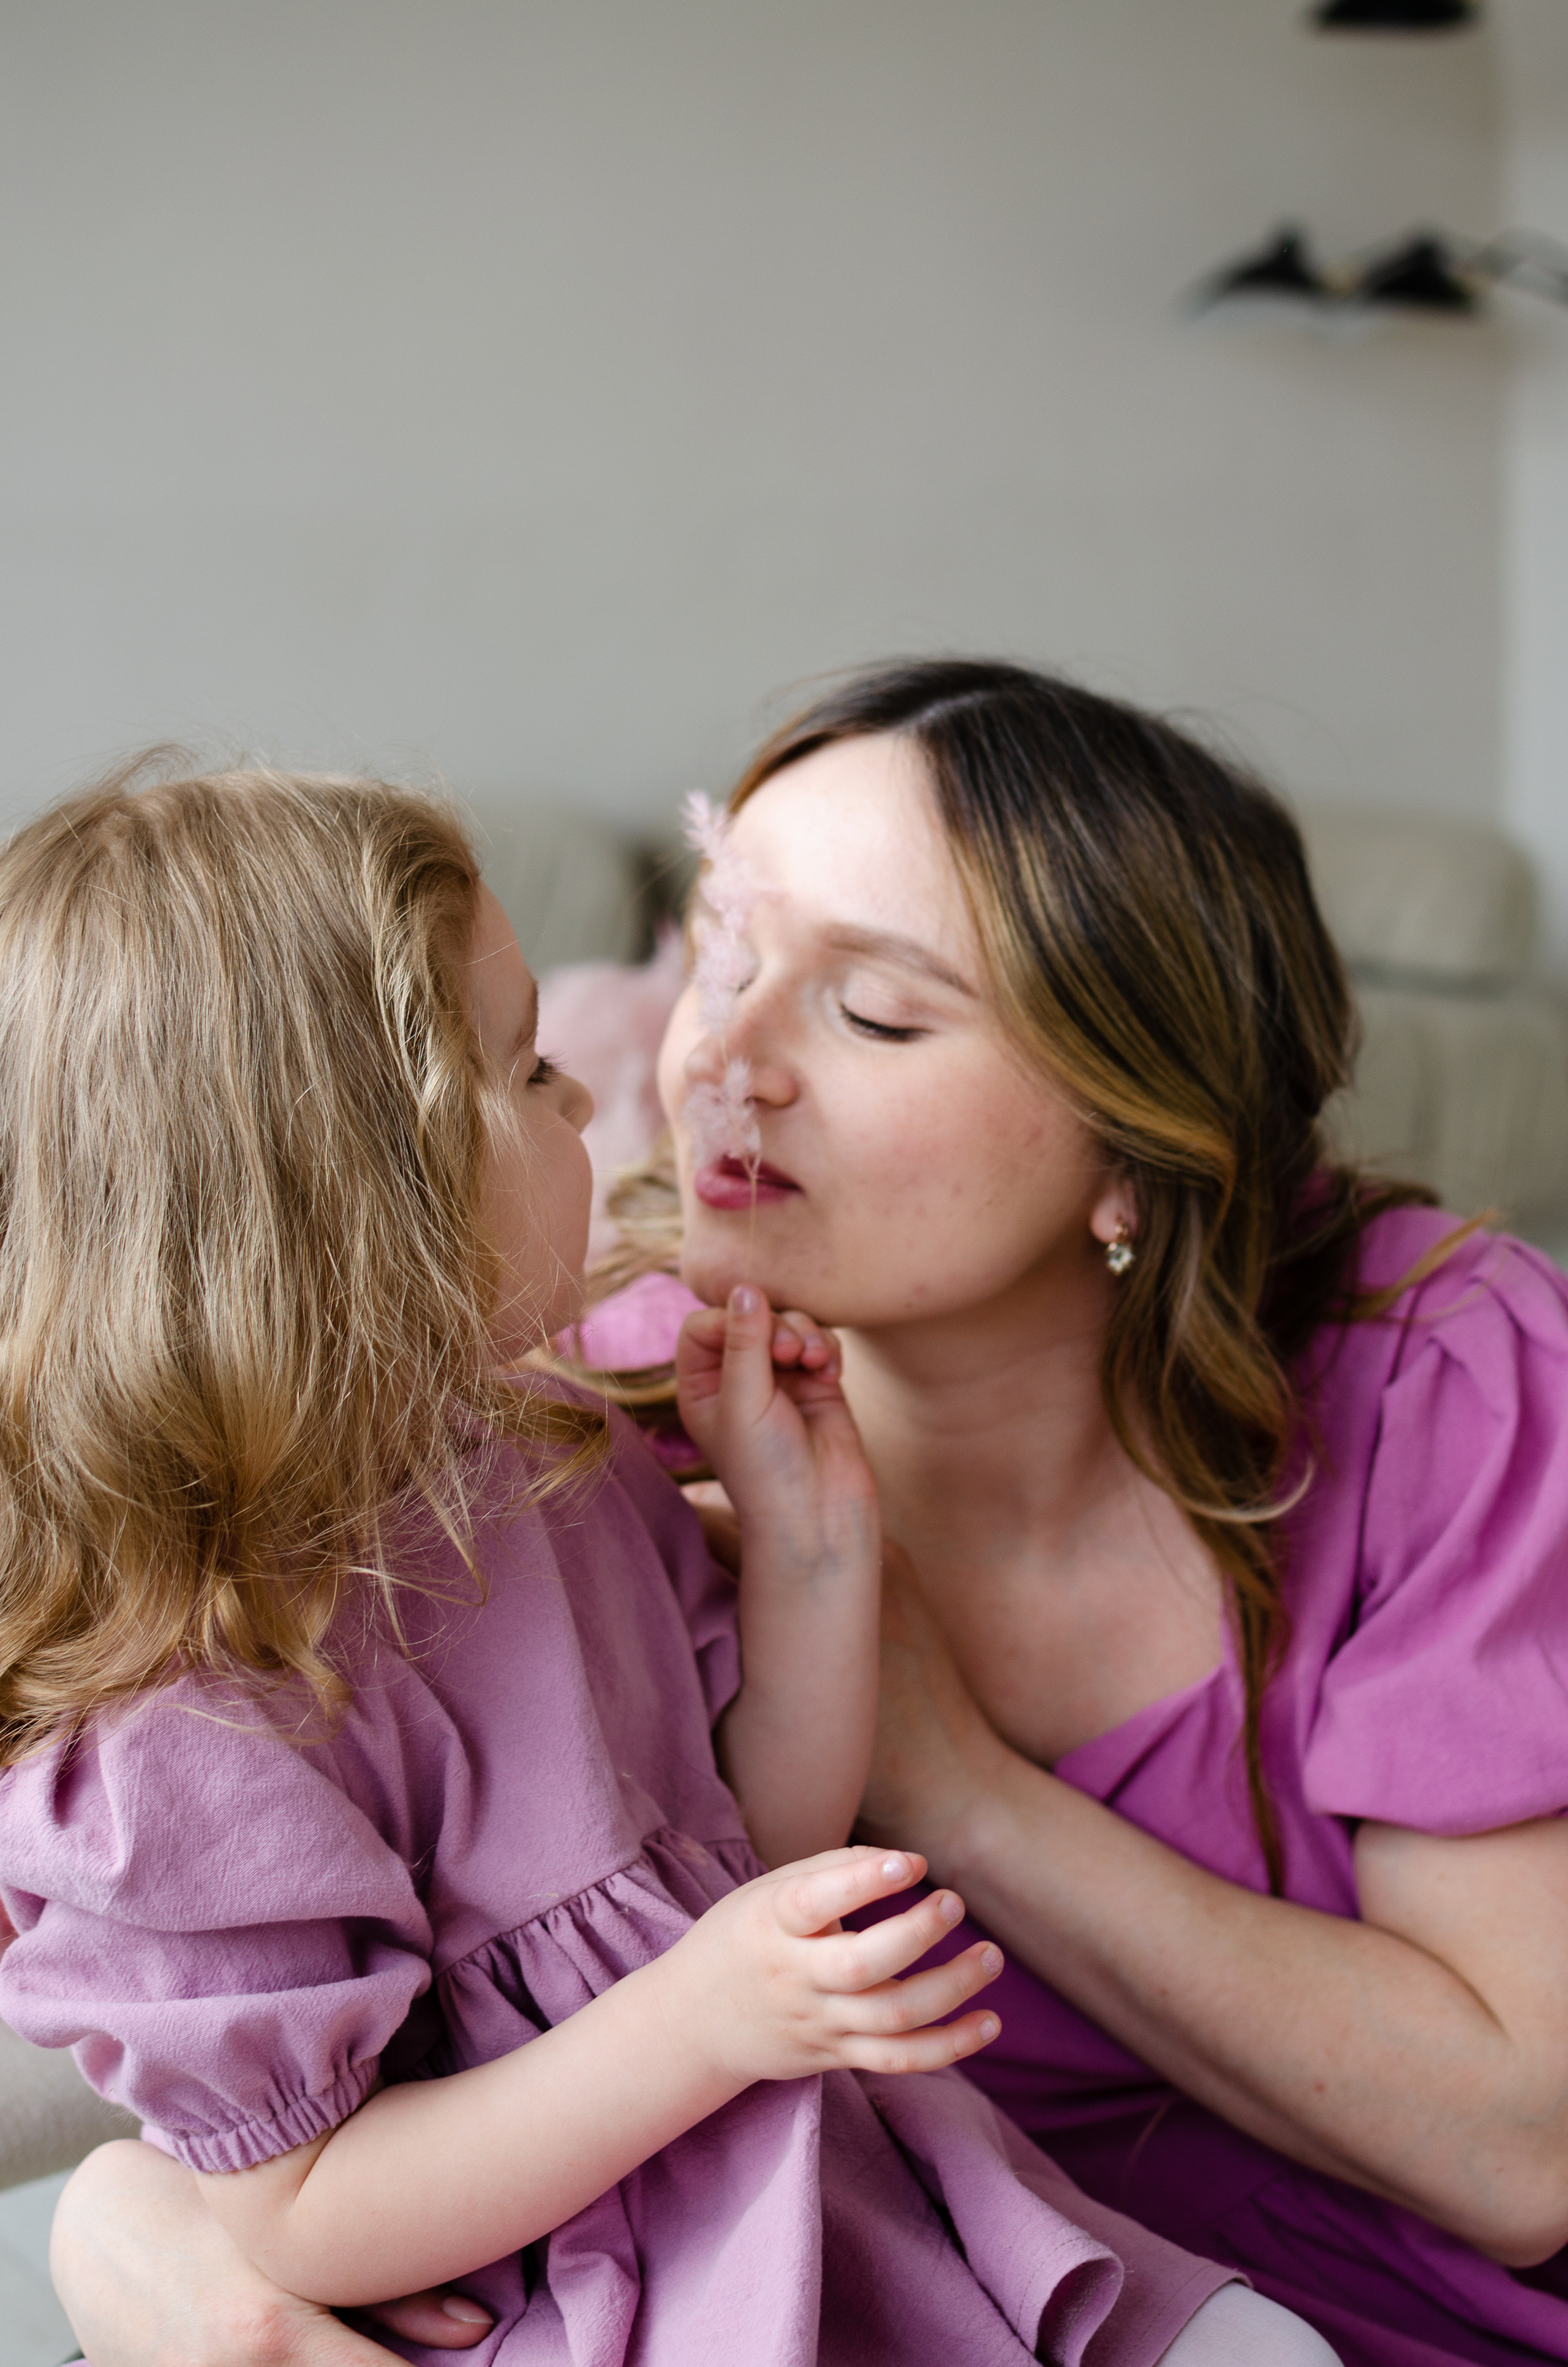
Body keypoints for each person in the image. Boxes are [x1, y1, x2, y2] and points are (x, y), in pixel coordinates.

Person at [0, 758, 1323, 2366]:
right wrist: (708, 2020)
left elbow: (752, 1832)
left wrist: (812, 1549)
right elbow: (301, 2211)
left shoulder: (543, 1463)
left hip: (796, 2197)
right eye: (530, 1070)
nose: (595, 1109)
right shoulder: (173, 1733)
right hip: (568, 2286)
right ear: (352, 1194)